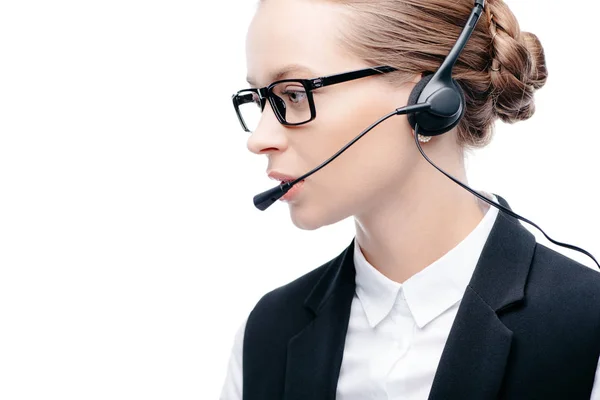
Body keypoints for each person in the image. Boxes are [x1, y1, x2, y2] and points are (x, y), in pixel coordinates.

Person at [221, 0, 600, 398]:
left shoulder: (585, 330)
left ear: (430, 99)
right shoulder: (264, 337)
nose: (258, 139)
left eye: (295, 94)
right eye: (260, 99)